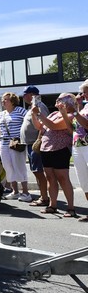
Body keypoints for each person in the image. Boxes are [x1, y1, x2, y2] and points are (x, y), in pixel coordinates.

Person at [31, 93, 76, 217]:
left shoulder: (69, 115)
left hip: (60, 149)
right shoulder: (53, 114)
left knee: (63, 178)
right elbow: (40, 127)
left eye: (61, 99)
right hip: (46, 149)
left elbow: (54, 126)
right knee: (50, 177)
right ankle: (53, 205)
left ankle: (71, 207)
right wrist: (34, 115)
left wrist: (39, 114)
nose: (57, 100)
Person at [59, 80, 88, 221]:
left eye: (85, 92)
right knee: (84, 181)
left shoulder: (81, 111)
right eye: (83, 92)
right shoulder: (82, 109)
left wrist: (75, 112)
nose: (83, 95)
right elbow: (72, 130)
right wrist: (64, 112)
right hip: (78, 146)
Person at [0, 93, 32, 202]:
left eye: (6, 100)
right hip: (4, 143)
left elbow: (29, 123)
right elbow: (0, 130)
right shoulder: (1, 114)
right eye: (3, 100)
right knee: (8, 167)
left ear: (12, 101)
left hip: (16, 143)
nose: (3, 102)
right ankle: (15, 191)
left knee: (19, 167)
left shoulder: (21, 111)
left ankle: (26, 192)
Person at [20, 85, 50, 207]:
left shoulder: (39, 106)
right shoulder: (32, 107)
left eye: (26, 94)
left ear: (32, 95)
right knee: (36, 171)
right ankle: (43, 197)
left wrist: (39, 141)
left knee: (38, 171)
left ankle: (44, 198)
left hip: (35, 144)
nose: (24, 96)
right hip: (31, 143)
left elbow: (43, 124)